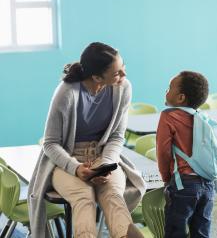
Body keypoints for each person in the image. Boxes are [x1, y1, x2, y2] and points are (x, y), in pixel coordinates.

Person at [28, 42, 146, 238]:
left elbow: (117, 136)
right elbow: (50, 143)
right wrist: (75, 168)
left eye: (123, 67)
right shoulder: (66, 92)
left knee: (113, 196)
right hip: (67, 160)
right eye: (117, 73)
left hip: (104, 156)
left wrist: (106, 164)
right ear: (97, 77)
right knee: (84, 198)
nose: (124, 75)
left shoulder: (123, 88)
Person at [156, 71, 214, 238]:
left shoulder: (168, 116)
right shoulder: (202, 117)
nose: (166, 91)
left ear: (180, 98)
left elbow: (163, 152)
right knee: (201, 232)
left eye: (169, 88)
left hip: (184, 185)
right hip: (208, 184)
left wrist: (166, 178)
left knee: (176, 231)